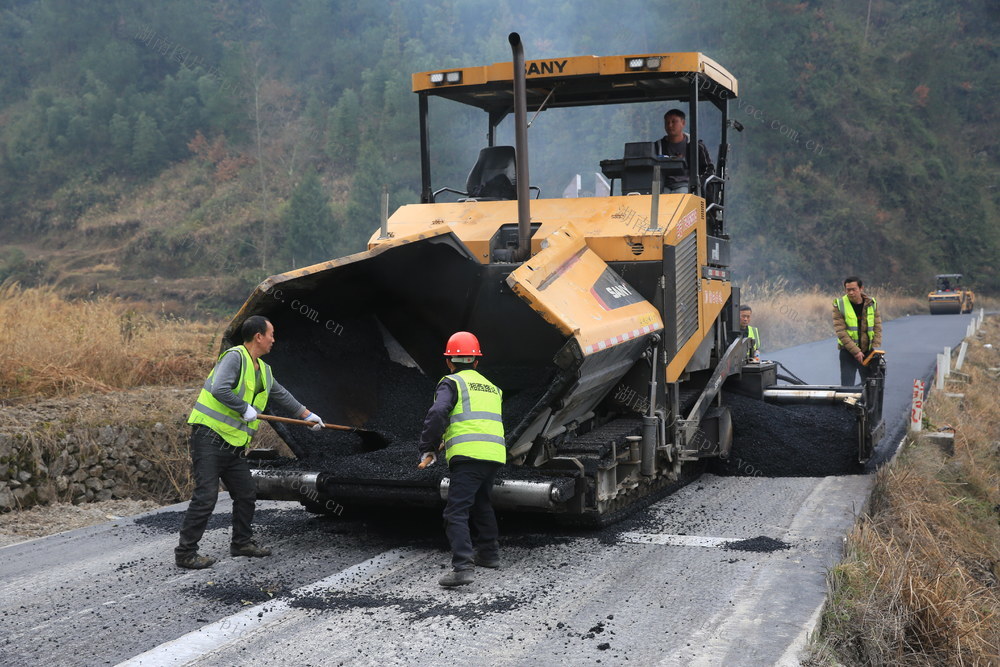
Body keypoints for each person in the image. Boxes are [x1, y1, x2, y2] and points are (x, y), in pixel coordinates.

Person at [175, 315, 325, 569]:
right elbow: (219, 389)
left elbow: (281, 394)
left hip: (233, 444)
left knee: (246, 492)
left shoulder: (263, 369)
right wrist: (243, 407)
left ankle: (241, 543)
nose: (273, 340)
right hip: (209, 437)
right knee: (206, 497)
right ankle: (186, 553)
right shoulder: (235, 357)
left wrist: (306, 415)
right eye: (271, 334)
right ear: (258, 336)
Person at [417, 331, 506, 588]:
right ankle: (488, 554)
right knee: (482, 503)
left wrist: (428, 446)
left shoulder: (451, 382)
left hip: (468, 456)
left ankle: (462, 568)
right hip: (494, 454)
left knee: (455, 511)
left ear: (449, 362)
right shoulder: (493, 388)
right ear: (477, 361)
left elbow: (437, 412)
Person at [832, 276, 882, 387]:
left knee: (871, 386)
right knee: (847, 388)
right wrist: (856, 351)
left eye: (853, 289)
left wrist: (875, 347)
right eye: (847, 290)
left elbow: (877, 326)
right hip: (848, 353)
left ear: (861, 288)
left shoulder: (871, 304)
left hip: (867, 353)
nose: (850, 292)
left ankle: (867, 404)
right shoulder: (839, 305)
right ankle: (848, 404)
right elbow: (841, 332)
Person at [655, 108, 714, 193]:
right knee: (659, 199)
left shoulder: (696, 145)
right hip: (665, 185)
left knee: (681, 197)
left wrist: (697, 183)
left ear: (683, 123)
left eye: (673, 122)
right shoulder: (658, 146)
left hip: (686, 185)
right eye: (667, 122)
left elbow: (709, 168)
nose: (670, 125)